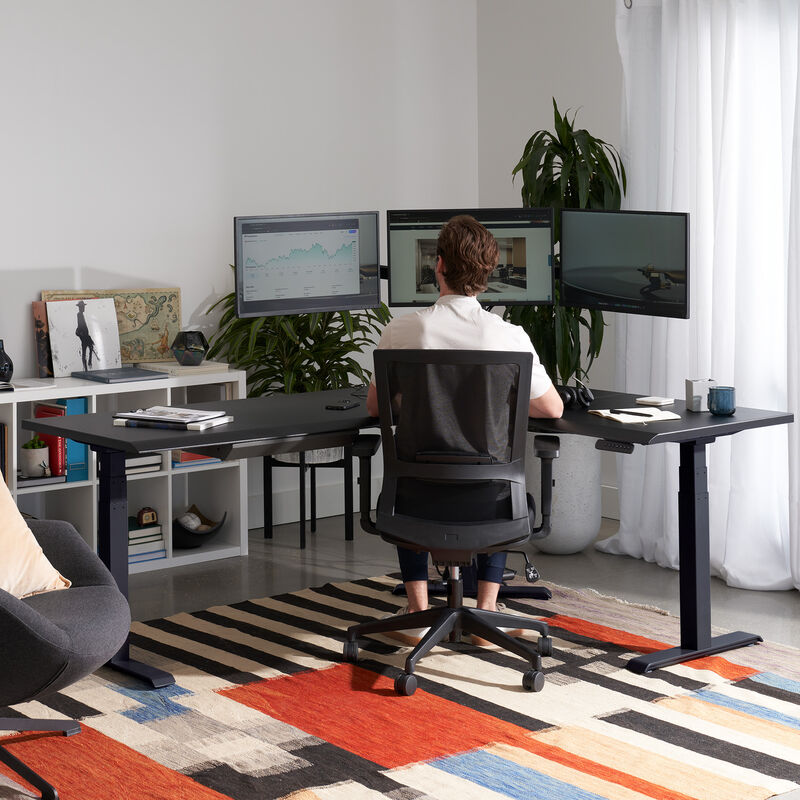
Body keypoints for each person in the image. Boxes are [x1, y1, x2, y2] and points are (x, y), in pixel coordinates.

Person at [366, 214, 563, 643]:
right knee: (506, 483)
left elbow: (374, 406)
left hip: (413, 502)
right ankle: (486, 612)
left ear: (438, 265)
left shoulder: (401, 330)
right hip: (491, 504)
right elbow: (552, 408)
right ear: (488, 274)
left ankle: (417, 612)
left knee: (412, 476)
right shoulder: (509, 336)